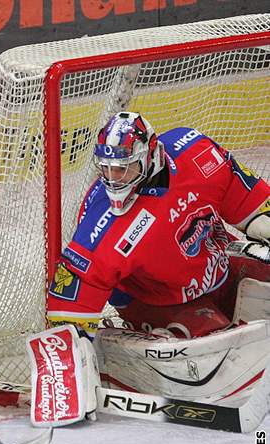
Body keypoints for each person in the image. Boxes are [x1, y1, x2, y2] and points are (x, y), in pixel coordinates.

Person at [46, 111, 270, 340]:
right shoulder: (103, 221)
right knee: (221, 344)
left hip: (218, 266)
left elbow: (245, 195)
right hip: (158, 301)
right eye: (106, 168)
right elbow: (77, 289)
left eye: (123, 168)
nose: (113, 178)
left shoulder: (196, 152)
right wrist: (72, 345)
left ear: (150, 155)